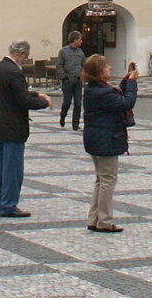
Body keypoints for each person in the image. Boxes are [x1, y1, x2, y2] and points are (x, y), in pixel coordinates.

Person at [0, 40, 52, 217]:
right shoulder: (14, 72)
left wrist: (35, 93)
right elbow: (23, 100)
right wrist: (43, 102)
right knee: (12, 169)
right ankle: (9, 205)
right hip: (13, 125)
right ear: (20, 53)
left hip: (0, 123)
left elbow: (15, 93)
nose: (25, 60)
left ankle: (1, 202)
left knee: (1, 167)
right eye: (25, 56)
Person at [81, 54, 137, 233]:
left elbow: (116, 96)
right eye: (106, 66)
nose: (110, 68)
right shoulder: (102, 92)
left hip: (96, 139)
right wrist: (133, 84)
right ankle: (104, 220)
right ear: (99, 72)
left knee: (101, 179)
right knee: (108, 181)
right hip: (105, 139)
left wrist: (126, 81)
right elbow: (126, 102)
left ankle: (94, 218)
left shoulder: (94, 89)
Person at [56, 30, 85, 130]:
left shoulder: (80, 52)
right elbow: (59, 65)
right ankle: (63, 115)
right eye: (80, 39)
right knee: (67, 102)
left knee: (78, 102)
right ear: (75, 40)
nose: (81, 42)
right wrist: (63, 76)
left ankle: (75, 124)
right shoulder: (64, 51)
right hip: (67, 80)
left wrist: (83, 74)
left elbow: (84, 64)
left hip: (78, 80)